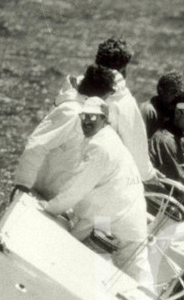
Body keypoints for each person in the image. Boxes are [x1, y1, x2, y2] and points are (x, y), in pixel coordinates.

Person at [42, 97, 149, 283]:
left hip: (119, 222)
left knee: (135, 280)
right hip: (110, 217)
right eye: (84, 116)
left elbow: (77, 188)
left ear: (104, 119)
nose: (87, 121)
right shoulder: (104, 138)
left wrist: (50, 208)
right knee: (83, 260)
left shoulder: (100, 146)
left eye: (93, 117)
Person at [12, 65, 115, 201]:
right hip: (41, 193)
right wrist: (22, 186)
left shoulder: (83, 110)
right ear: (103, 94)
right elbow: (37, 146)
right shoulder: (72, 113)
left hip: (59, 196)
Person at [94, 37, 154, 182]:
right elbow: (136, 147)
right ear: (123, 69)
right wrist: (149, 175)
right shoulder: (124, 101)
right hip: (102, 177)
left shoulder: (77, 86)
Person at [140, 71, 184, 139]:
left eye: (180, 93)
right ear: (161, 91)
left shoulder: (173, 112)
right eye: (173, 92)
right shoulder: (147, 111)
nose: (177, 96)